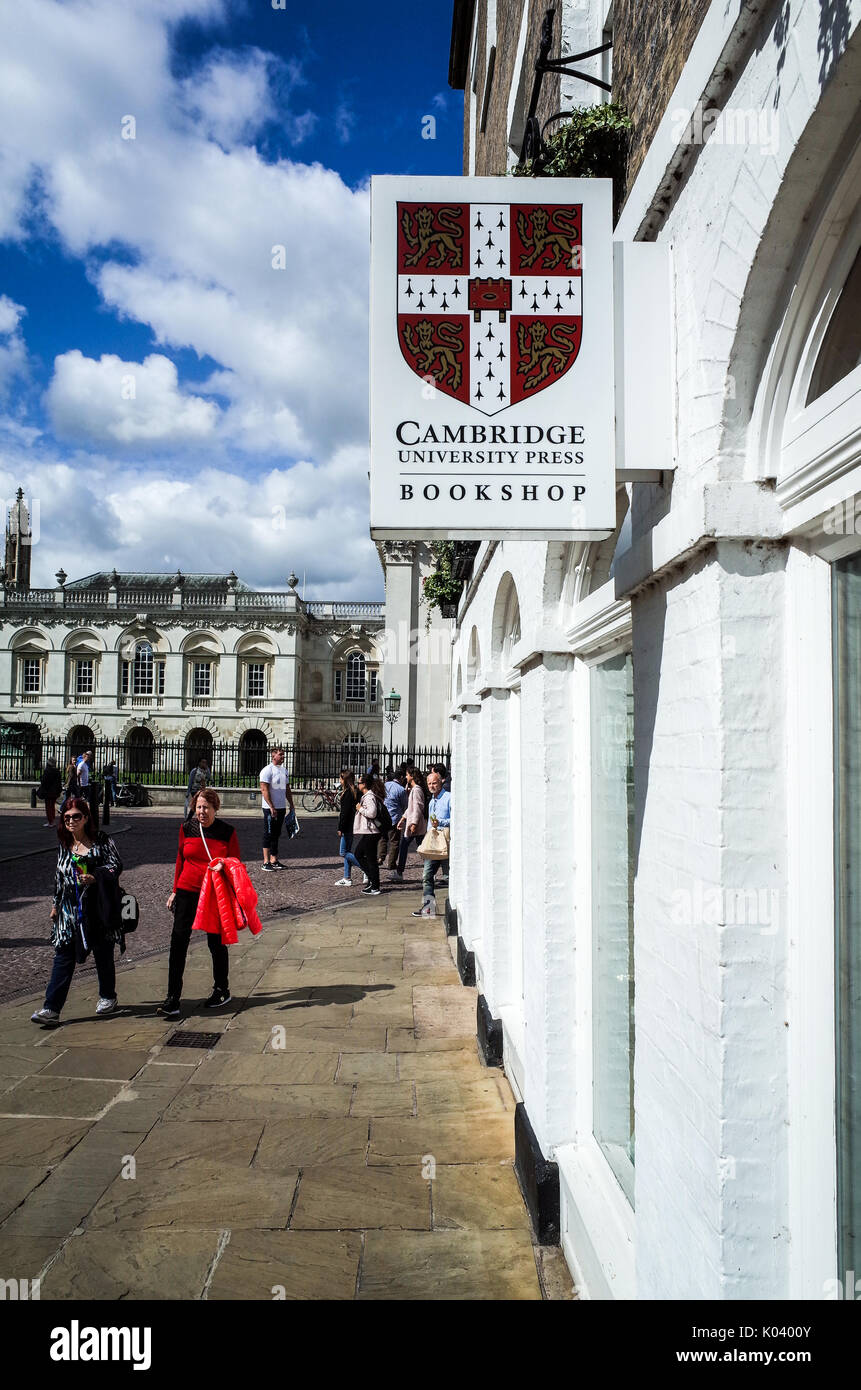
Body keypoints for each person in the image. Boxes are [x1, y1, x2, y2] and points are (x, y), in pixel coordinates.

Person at [30, 797, 123, 1026]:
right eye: (67, 816)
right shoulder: (64, 843)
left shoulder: (101, 840)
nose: (71, 820)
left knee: (102, 954)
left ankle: (108, 996)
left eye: (76, 816)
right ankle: (51, 1008)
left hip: (97, 908)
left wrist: (96, 876)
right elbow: (58, 879)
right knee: (63, 956)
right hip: (69, 911)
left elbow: (116, 865)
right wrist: (55, 905)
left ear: (86, 818)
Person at [159, 788, 241, 1018]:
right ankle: (172, 997)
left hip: (214, 892)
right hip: (187, 890)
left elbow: (235, 862)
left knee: (215, 942)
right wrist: (174, 891)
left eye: (206, 807)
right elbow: (179, 859)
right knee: (178, 941)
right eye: (198, 807)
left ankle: (221, 988)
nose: (202, 812)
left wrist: (223, 865)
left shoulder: (227, 831)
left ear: (216, 808)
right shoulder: (186, 828)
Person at [413, 769, 451, 916]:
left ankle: (454, 905)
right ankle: (429, 908)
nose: (431, 786)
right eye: (429, 783)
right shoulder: (431, 801)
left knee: (449, 877)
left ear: (441, 782)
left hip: (446, 842)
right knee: (427, 876)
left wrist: (440, 822)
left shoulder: (448, 798)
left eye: (434, 782)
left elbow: (456, 819)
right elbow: (430, 824)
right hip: (433, 843)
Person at [259, 747, 295, 872]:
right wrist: (271, 806)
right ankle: (265, 861)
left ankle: (274, 859)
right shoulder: (267, 770)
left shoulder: (284, 770)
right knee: (268, 833)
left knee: (276, 833)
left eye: (283, 754)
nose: (283, 757)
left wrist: (291, 803)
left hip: (281, 807)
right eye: (281, 755)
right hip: (270, 808)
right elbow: (264, 790)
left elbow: (287, 789)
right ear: (273, 756)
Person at [390, 766, 427, 881]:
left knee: (416, 848)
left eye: (407, 775)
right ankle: (429, 871)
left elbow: (417, 808)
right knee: (421, 848)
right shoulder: (414, 789)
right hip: (414, 824)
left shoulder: (416, 790)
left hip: (415, 825)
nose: (406, 777)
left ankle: (400, 872)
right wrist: (403, 818)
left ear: (411, 776)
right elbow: (411, 808)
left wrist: (414, 823)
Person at [351, 772, 385, 895]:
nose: (357, 784)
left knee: (369, 859)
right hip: (369, 831)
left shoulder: (369, 797)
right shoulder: (367, 795)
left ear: (364, 784)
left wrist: (360, 809)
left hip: (372, 831)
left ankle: (375, 885)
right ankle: (372, 880)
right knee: (359, 854)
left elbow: (372, 813)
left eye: (359, 782)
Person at [378, 765, 407, 869]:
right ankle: (391, 863)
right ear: (401, 777)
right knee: (394, 842)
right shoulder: (401, 789)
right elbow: (404, 805)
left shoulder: (385, 785)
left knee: (383, 838)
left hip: (383, 816)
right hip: (394, 817)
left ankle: (380, 857)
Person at [334, 768, 359, 886]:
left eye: (340, 778)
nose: (339, 780)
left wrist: (340, 828)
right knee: (348, 851)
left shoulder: (348, 794)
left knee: (343, 852)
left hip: (347, 826)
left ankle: (365, 867)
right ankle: (347, 877)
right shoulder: (354, 792)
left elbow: (344, 813)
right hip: (352, 825)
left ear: (345, 779)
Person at [76, 749, 99, 831]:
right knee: (83, 799)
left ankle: (87, 814)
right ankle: (83, 814)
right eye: (88, 756)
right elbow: (78, 774)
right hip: (82, 785)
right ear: (84, 757)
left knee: (87, 799)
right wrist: (79, 784)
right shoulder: (81, 764)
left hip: (85, 784)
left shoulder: (85, 764)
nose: (89, 758)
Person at [37, 756, 63, 828]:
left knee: (48, 807)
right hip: (55, 792)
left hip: (48, 792)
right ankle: (52, 820)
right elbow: (59, 783)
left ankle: (50, 821)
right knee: (52, 806)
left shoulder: (47, 771)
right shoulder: (57, 771)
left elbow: (44, 781)